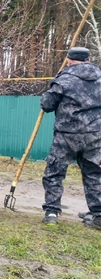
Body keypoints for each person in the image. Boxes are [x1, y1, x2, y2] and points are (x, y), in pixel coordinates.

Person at [40, 47, 101, 229]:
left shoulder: (64, 79)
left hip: (67, 135)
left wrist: (52, 86)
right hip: (95, 135)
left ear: (69, 60)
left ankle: (51, 212)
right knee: (94, 173)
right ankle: (98, 214)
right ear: (89, 60)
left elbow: (47, 104)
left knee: (54, 172)